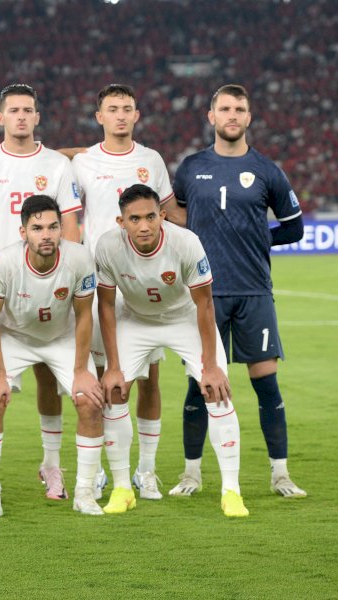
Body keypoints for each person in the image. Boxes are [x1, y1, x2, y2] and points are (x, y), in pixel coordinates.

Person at [165, 84, 306, 499]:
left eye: (239, 109)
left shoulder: (268, 171)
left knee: (266, 386)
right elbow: (178, 219)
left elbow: (294, 226)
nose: (232, 115)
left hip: (254, 293)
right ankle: (192, 474)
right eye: (224, 108)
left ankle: (280, 474)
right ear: (211, 116)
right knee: (199, 385)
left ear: (248, 117)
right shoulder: (190, 168)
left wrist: (260, 239)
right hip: (204, 295)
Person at [0, 83, 82, 501]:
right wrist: (7, 276)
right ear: (0, 118)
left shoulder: (58, 165)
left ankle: (51, 466)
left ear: (37, 116)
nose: (22, 117)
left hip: (50, 289)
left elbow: (71, 228)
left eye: (29, 109)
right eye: (14, 110)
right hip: (2, 290)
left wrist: (43, 277)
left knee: (49, 376)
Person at [96, 184, 248, 517]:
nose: (144, 226)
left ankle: (231, 492)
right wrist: (113, 366)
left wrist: (210, 365)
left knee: (217, 390)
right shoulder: (107, 246)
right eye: (134, 219)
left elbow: (205, 303)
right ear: (121, 222)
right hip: (134, 319)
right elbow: (106, 306)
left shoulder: (185, 242)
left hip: (184, 318)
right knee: (115, 390)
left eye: (151, 216)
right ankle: (123, 488)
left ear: (162, 216)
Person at [71, 83, 175, 500]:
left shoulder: (151, 160)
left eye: (126, 109)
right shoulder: (82, 162)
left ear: (136, 115)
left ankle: (145, 471)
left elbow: (171, 213)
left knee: (149, 379)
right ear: (99, 117)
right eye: (112, 109)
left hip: (145, 286)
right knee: (103, 379)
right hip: (99, 284)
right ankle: (103, 469)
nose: (119, 115)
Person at [0, 195, 104, 517]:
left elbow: (85, 314)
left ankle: (85, 493)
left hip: (61, 336)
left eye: (52, 227)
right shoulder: (5, 263)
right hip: (15, 336)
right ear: (23, 232)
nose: (45, 235)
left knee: (89, 400)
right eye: (37, 228)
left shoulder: (79, 259)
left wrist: (81, 370)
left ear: (62, 229)